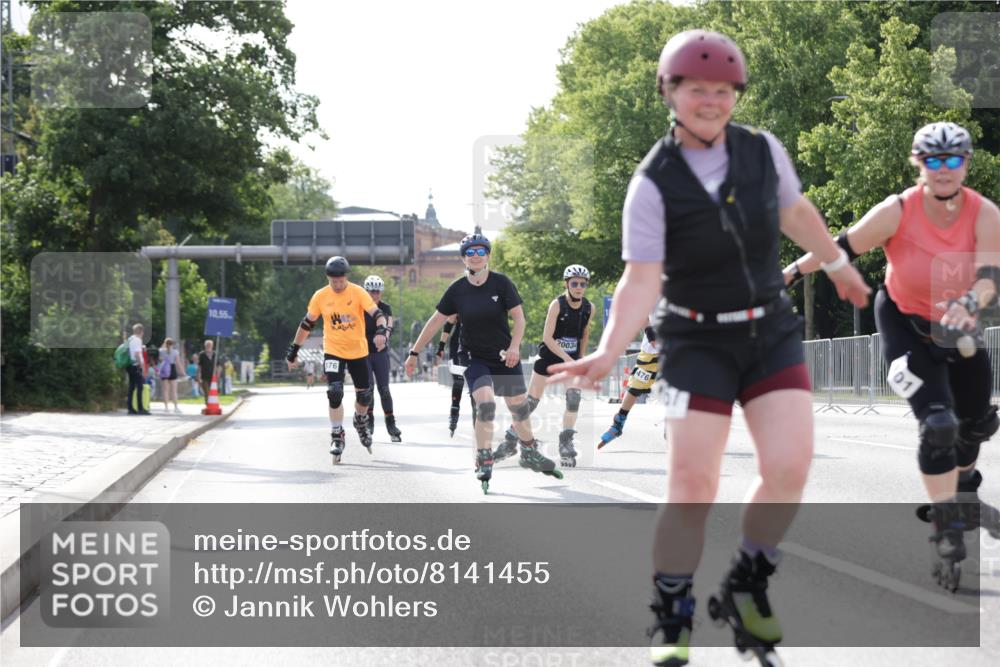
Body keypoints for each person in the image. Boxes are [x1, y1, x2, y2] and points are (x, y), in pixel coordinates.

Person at [547, 30, 870, 666]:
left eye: (724, 90)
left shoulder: (760, 151)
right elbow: (641, 279)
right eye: (697, 89)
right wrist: (610, 351)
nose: (712, 100)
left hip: (768, 329)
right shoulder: (653, 183)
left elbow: (796, 211)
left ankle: (748, 580)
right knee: (692, 481)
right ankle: (672, 609)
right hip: (694, 336)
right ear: (670, 92)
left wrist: (835, 262)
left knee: (789, 466)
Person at [786, 121, 1000, 591]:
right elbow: (837, 248)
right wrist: (789, 274)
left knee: (978, 423)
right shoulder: (897, 210)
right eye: (933, 160)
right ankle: (946, 523)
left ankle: (963, 486)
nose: (943, 170)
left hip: (957, 325)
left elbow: (989, 276)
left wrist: (970, 303)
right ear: (918, 163)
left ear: (965, 164)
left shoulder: (984, 213)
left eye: (953, 160)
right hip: (903, 322)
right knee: (939, 425)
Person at [405, 233, 563, 493]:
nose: (476, 256)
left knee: (519, 409)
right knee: (486, 404)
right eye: (470, 252)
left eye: (481, 251)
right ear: (463, 258)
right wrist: (414, 353)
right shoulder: (457, 290)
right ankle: (484, 455)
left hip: (503, 355)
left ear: (488, 256)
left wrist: (514, 347)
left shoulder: (501, 284)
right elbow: (435, 322)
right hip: (473, 356)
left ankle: (529, 452)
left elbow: (519, 320)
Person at [285, 256, 389, 463]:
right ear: (328, 278)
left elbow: (378, 313)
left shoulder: (358, 292)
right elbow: (307, 324)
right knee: (334, 392)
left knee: (365, 397)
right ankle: (336, 434)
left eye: (341, 281)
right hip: (333, 350)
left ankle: (360, 420)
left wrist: (380, 330)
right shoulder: (320, 296)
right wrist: (293, 349)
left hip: (358, 351)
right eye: (334, 281)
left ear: (346, 277)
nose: (338, 285)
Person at [494, 264, 593, 466]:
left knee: (574, 398)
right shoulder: (557, 305)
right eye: (574, 283)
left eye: (583, 284)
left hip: (570, 360)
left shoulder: (588, 307)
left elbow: (584, 334)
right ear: (567, 284)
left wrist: (580, 358)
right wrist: (567, 359)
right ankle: (511, 437)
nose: (579, 287)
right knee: (530, 403)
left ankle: (566, 441)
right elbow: (547, 338)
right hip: (548, 358)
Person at [598, 313, 659, 449]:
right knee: (635, 388)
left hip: (680, 347)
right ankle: (618, 423)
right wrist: (650, 334)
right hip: (653, 350)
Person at [362, 274, 402, 442]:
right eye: (371, 291)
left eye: (377, 291)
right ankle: (369, 423)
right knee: (368, 389)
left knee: (384, 389)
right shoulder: (360, 307)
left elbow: (389, 326)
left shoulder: (386, 308)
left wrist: (384, 337)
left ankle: (391, 424)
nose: (374, 294)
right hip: (363, 353)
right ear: (366, 291)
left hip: (380, 352)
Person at [437, 315, 477, 437]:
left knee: (475, 385)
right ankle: (454, 410)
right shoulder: (460, 298)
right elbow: (448, 324)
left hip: (476, 345)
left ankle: (477, 420)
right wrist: (441, 346)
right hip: (457, 344)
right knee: (458, 381)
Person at [125, 323, 149, 415]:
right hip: (136, 365)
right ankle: (140, 409)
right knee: (140, 387)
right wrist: (142, 367)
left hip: (129, 365)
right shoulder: (138, 340)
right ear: (141, 331)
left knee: (131, 387)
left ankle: (130, 408)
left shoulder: (130, 339)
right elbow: (137, 354)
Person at [158, 337, 182, 413]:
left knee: (165, 390)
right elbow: (178, 363)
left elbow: (160, 358)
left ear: (165, 343)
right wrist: (183, 372)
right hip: (172, 368)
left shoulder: (161, 351)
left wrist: (164, 344)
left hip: (164, 369)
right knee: (174, 390)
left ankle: (166, 408)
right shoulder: (175, 352)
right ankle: (175, 407)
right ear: (173, 344)